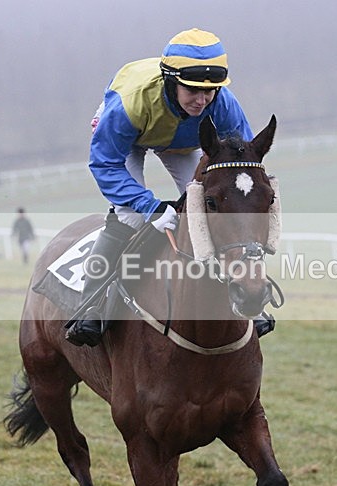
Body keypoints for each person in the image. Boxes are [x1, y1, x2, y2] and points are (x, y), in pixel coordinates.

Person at [66, 28, 274, 347]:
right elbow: (105, 164)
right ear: (171, 81)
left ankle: (245, 295)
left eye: (210, 92)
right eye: (192, 91)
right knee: (130, 217)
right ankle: (91, 304)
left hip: (183, 143)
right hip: (129, 139)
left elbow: (241, 164)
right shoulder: (129, 105)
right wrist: (150, 206)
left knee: (209, 209)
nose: (202, 100)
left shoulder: (223, 104)